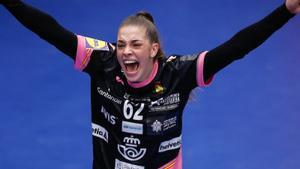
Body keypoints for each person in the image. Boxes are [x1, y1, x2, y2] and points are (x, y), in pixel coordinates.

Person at [1, 0, 299, 168]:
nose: (126, 52)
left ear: (154, 49)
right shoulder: (102, 61)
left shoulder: (178, 74)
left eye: (135, 44)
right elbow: (50, 30)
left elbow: (237, 46)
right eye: (120, 45)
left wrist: (285, 10)